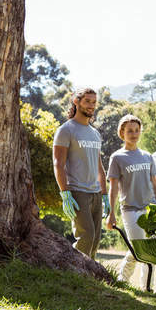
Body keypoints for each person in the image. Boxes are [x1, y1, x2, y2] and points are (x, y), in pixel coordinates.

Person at [53, 88, 110, 259]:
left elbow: (99, 166)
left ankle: (89, 278)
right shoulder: (66, 130)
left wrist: (105, 194)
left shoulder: (95, 133)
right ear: (76, 102)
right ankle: (74, 272)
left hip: (96, 193)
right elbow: (58, 163)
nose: (91, 106)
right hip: (78, 192)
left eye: (94, 102)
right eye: (87, 101)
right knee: (86, 237)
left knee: (95, 240)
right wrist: (65, 193)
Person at [106, 115, 156, 288]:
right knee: (137, 249)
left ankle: (146, 287)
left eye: (137, 130)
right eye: (129, 130)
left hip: (151, 208)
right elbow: (113, 188)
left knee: (150, 250)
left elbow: (155, 183)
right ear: (122, 132)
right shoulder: (117, 157)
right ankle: (122, 281)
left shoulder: (147, 156)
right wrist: (111, 214)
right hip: (130, 210)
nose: (134, 134)